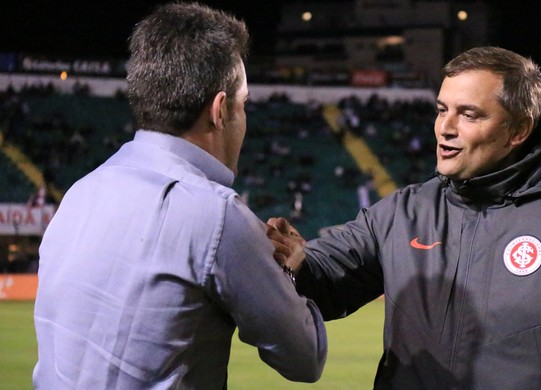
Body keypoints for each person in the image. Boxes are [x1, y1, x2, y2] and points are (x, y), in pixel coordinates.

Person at [267, 46, 541, 389]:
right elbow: (328, 277)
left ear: (518, 129)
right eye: (442, 110)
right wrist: (296, 262)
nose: (445, 128)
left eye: (469, 115)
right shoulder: (405, 212)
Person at [33, 3, 326, 389]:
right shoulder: (218, 216)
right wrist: (289, 269)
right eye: (244, 104)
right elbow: (305, 358)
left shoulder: (79, 194)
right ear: (220, 110)